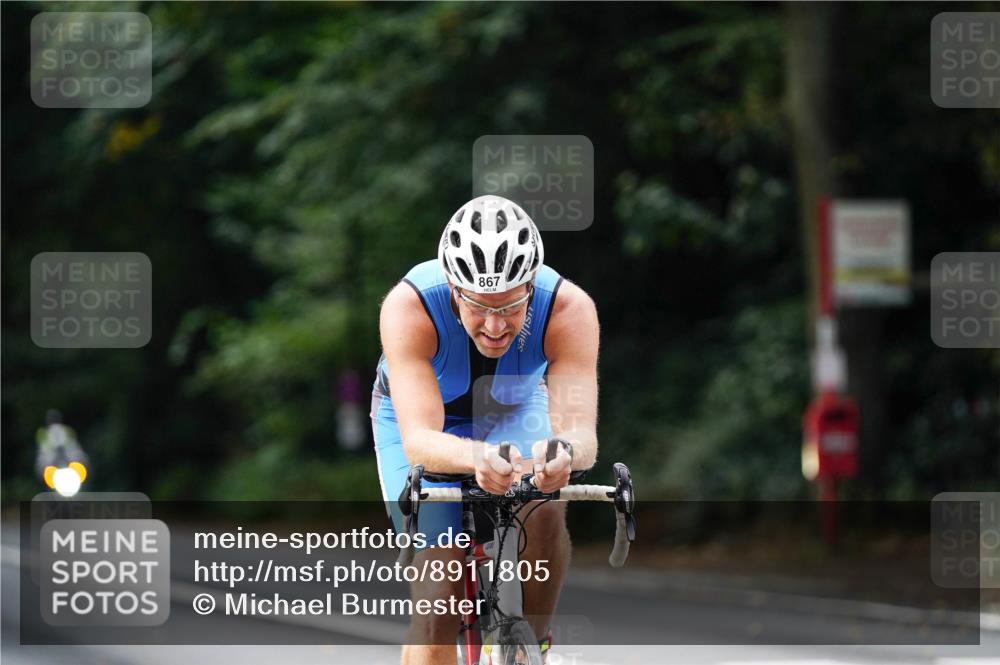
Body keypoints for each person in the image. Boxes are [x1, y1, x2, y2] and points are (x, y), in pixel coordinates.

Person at [372, 195, 600, 665]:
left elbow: (581, 436)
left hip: (513, 409)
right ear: (454, 289)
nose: (495, 325)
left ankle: (533, 647)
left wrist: (562, 456)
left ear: (532, 286)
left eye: (513, 305)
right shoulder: (408, 307)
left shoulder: (568, 310)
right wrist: (476, 458)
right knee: (439, 594)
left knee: (543, 505)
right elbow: (419, 441)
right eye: (478, 306)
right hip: (421, 422)